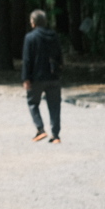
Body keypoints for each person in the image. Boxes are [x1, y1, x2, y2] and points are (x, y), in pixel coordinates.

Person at [22, 9, 63, 143]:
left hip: (37, 78)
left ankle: (40, 129)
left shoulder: (30, 37)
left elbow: (27, 60)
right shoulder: (54, 36)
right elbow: (60, 57)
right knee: (55, 106)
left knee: (33, 103)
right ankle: (55, 136)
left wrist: (26, 78)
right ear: (45, 22)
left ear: (33, 23)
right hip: (53, 77)